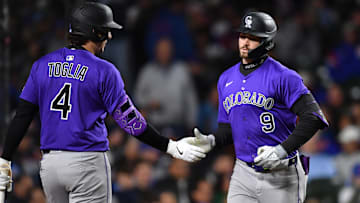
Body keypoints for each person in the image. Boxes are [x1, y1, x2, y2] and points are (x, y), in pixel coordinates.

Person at [0, 2, 206, 203]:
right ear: (95, 33)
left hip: (51, 166)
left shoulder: (42, 65)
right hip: (86, 163)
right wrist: (168, 146)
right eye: (106, 30)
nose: (109, 36)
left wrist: (5, 158)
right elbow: (130, 121)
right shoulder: (103, 70)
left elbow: (22, 116)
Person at [188, 11, 329, 203]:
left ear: (267, 42)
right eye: (243, 36)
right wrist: (212, 141)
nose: (245, 42)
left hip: (281, 173)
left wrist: (281, 150)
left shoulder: (284, 76)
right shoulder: (226, 79)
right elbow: (227, 130)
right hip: (243, 171)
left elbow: (313, 117)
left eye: (253, 38)